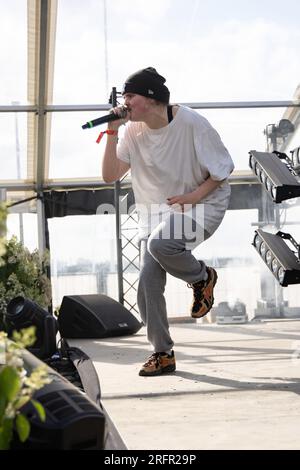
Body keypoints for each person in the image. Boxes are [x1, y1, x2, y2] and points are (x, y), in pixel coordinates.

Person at [102, 67, 234, 377]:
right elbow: (109, 175)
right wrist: (111, 131)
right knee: (146, 286)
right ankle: (162, 353)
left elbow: (222, 171)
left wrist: (192, 197)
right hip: (160, 214)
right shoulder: (133, 131)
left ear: (149, 98)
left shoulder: (192, 123)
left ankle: (202, 277)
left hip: (203, 204)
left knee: (160, 244)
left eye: (130, 96)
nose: (125, 102)